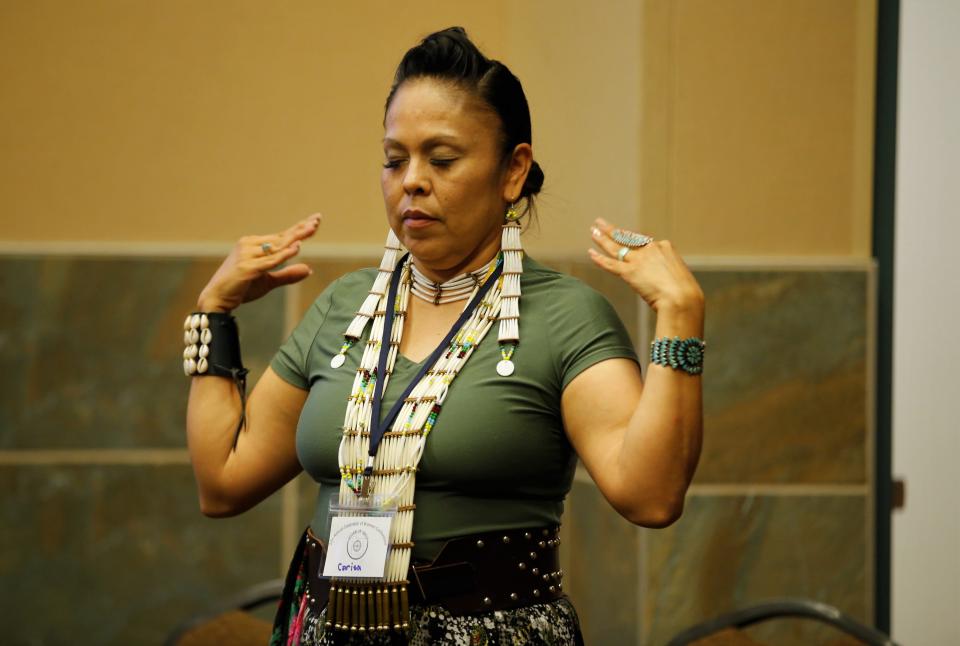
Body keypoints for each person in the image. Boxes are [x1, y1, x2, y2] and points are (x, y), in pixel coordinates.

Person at [183, 27, 704, 645]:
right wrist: (213, 313)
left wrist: (679, 316)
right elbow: (223, 481)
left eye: (443, 159)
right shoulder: (343, 309)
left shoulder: (566, 317)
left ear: (513, 170)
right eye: (394, 159)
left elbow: (651, 497)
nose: (412, 181)